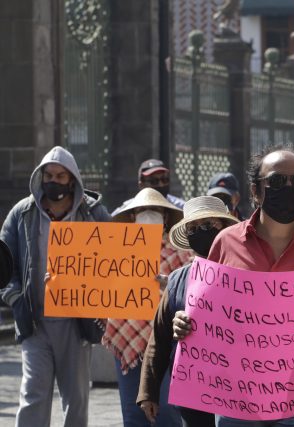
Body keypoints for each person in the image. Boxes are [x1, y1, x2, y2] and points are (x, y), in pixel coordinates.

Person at [172, 146, 294, 427]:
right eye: (277, 181)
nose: (288, 188)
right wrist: (185, 323)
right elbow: (203, 310)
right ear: (256, 190)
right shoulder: (226, 243)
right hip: (235, 397)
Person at [0, 146, 111, 426]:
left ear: (72, 179)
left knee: (77, 399)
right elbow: (4, 261)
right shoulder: (22, 213)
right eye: (49, 175)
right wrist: (15, 298)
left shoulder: (94, 214)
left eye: (61, 176)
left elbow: (113, 260)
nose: (54, 181)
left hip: (77, 325)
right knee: (33, 394)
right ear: (40, 177)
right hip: (35, 323)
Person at [137, 195, 239, 426]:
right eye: (192, 228)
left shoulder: (246, 274)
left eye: (207, 225)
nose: (199, 232)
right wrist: (149, 392)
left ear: (224, 228)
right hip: (196, 391)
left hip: (238, 389)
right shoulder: (178, 279)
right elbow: (159, 338)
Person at [106, 187, 191, 427]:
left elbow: (190, 289)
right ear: (132, 217)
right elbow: (94, 283)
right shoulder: (115, 249)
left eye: (155, 210)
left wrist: (169, 283)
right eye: (142, 210)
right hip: (126, 340)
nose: (148, 214)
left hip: (166, 343)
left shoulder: (181, 252)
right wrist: (61, 280)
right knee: (133, 416)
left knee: (167, 414)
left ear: (165, 217)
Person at [112, 159, 185, 216]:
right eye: (153, 181)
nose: (161, 185)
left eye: (164, 179)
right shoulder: (126, 209)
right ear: (141, 185)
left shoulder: (182, 208)